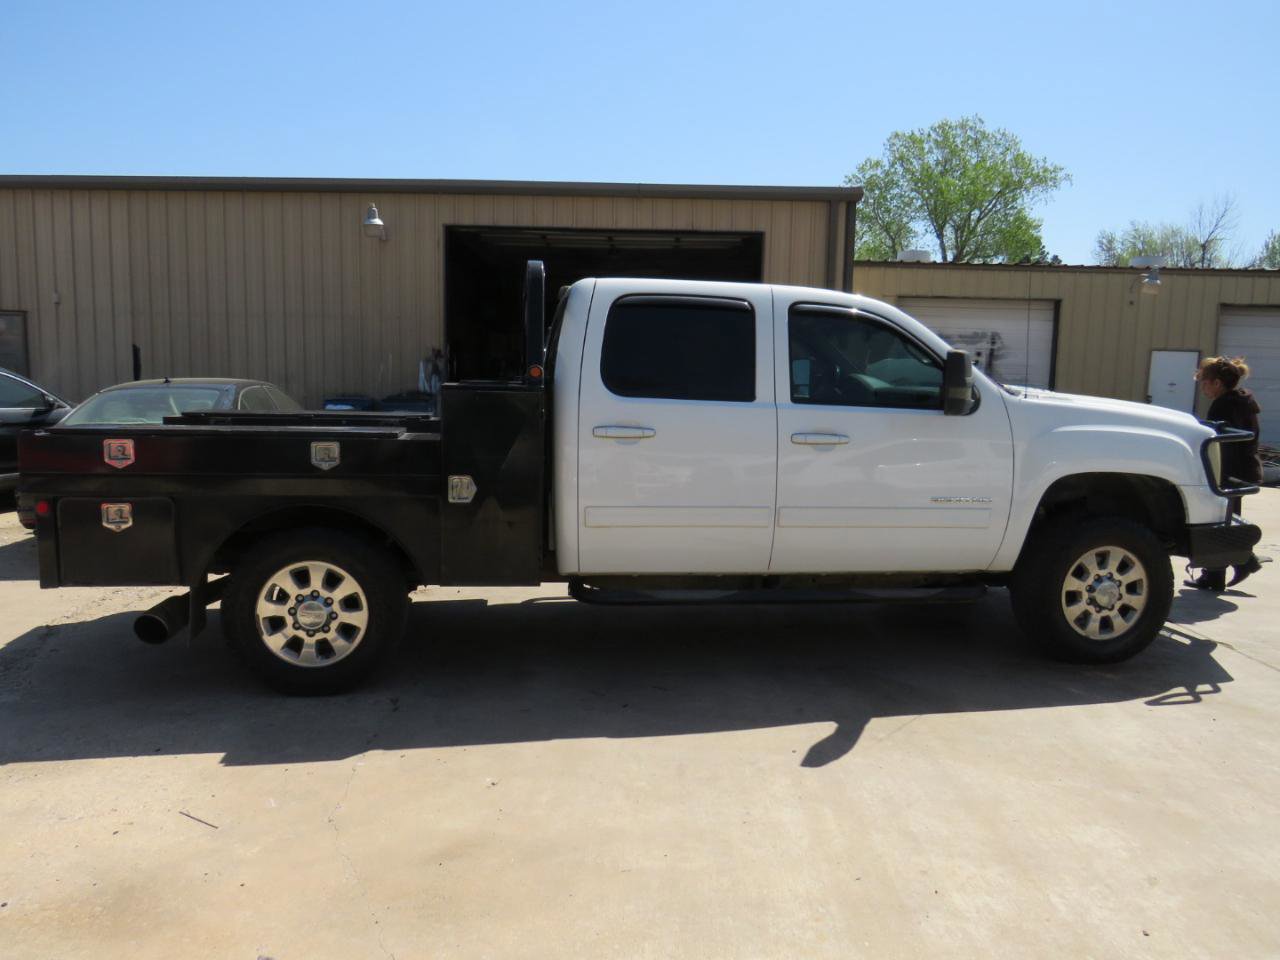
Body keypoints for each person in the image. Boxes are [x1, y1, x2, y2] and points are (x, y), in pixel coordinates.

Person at [1186, 356, 1264, 591]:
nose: (1203, 388)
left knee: (1218, 520)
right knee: (1223, 520)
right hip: (1242, 469)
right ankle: (1219, 573)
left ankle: (1244, 561)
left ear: (1217, 383)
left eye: (1205, 383)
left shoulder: (1224, 405)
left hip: (1231, 471)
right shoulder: (1241, 401)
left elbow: (1219, 442)